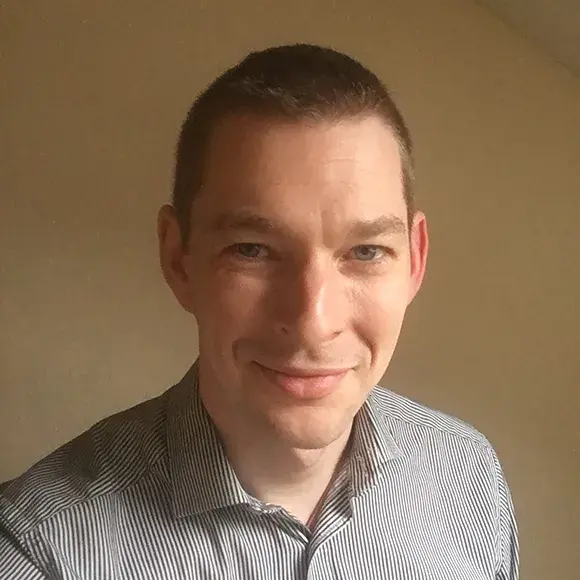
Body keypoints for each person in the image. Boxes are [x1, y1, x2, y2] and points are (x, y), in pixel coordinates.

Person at [0, 43, 519, 579]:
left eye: (366, 252)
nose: (314, 323)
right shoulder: (37, 550)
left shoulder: (470, 476)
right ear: (178, 259)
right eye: (252, 250)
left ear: (415, 260)